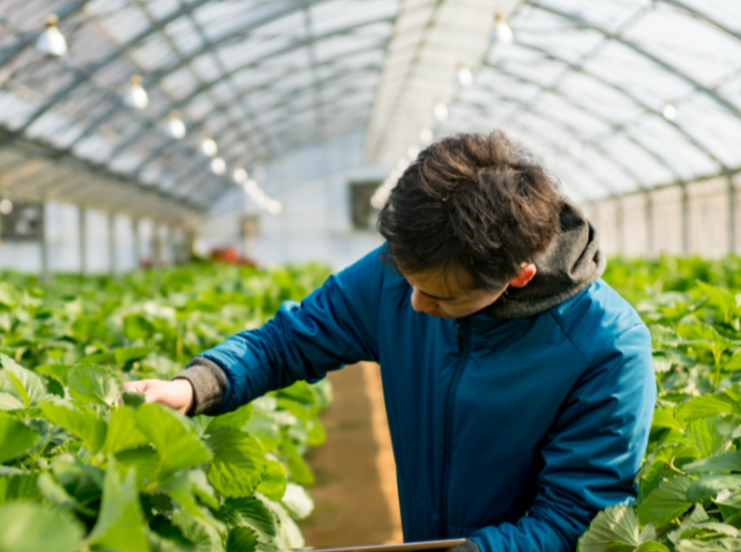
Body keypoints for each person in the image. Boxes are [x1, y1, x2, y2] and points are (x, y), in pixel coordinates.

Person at [123, 131, 656, 552]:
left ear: (517, 276)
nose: (416, 305)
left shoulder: (607, 350)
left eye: (442, 297)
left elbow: (573, 520)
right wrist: (197, 386)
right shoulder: (393, 276)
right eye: (409, 281)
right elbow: (287, 341)